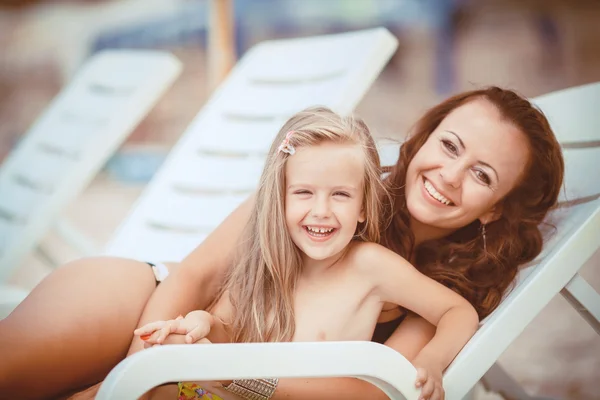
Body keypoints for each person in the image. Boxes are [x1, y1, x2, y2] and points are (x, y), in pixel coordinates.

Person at [0, 87, 564, 400]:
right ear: (425, 138)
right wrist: (142, 369)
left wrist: (222, 374)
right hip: (152, 301)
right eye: (450, 144)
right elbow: (196, 276)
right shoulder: (329, 188)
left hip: (211, 369)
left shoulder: (430, 288)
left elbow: (370, 391)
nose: (448, 174)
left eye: (483, 175)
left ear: (496, 208)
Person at [132, 107, 479, 399]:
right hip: (222, 392)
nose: (321, 211)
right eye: (303, 193)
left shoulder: (371, 266)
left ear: (362, 207)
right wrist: (198, 327)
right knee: (149, 385)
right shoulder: (266, 262)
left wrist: (433, 358)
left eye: (340, 195)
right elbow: (225, 329)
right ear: (280, 199)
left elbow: (458, 311)